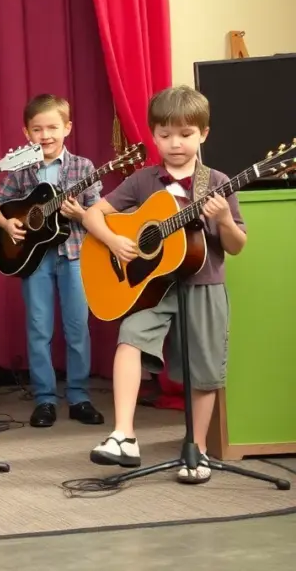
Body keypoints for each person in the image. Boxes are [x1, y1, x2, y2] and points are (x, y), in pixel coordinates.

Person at [83, 85, 246, 483]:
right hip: (153, 285)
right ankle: (123, 436)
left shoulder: (218, 181)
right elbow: (93, 215)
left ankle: (199, 449)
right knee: (130, 338)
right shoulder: (142, 181)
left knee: (205, 369)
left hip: (204, 282)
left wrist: (223, 219)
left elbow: (237, 245)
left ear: (203, 134)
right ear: (153, 134)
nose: (175, 143)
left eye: (186, 134)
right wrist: (113, 240)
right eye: (165, 134)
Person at [0, 94, 105, 428]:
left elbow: (100, 213)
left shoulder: (83, 167)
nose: (45, 135)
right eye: (37, 129)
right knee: (39, 328)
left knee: (77, 327)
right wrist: (6, 223)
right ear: (27, 132)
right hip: (34, 259)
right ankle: (45, 399)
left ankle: (79, 397)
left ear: (67, 127)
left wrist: (80, 213)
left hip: (75, 256)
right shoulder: (23, 169)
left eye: (53, 127)